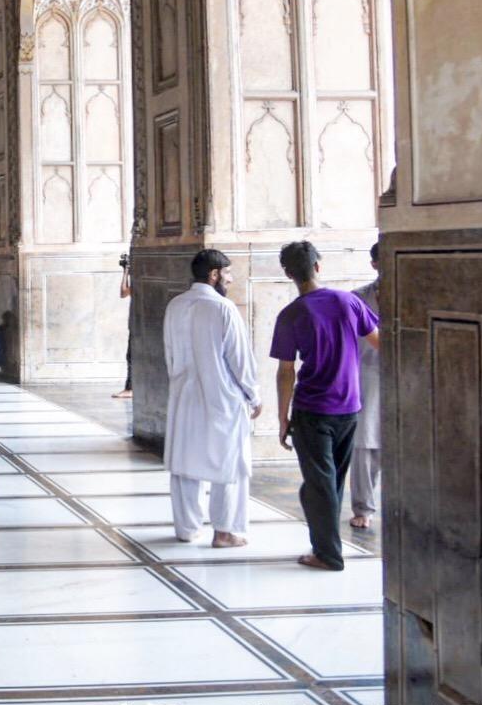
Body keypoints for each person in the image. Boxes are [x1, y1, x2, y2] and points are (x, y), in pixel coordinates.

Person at [271, 240, 380, 571]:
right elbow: (379, 341)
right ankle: (325, 544)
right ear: (318, 266)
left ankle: (328, 554)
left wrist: (282, 418)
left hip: (313, 409)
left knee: (320, 484)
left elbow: (286, 371)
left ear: (288, 273)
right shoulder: (349, 301)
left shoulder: (291, 314)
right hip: (349, 408)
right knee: (328, 482)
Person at [163, 249, 262, 548]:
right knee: (230, 464)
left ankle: (187, 528)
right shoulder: (223, 308)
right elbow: (239, 359)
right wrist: (253, 394)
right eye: (228, 273)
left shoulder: (175, 306)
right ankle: (226, 530)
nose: (230, 279)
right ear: (214, 274)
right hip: (222, 396)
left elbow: (169, 353)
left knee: (185, 462)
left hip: (183, 395)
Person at [350, 242, 382, 530]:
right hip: (368, 374)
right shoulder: (358, 299)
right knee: (365, 443)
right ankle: (363, 506)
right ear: (374, 264)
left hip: (412, 374)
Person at [114, 253, 133, 400]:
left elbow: (123, 292)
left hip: (137, 324)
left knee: (131, 356)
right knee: (131, 356)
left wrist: (126, 272)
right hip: (135, 323)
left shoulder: (138, 283)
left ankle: (130, 388)